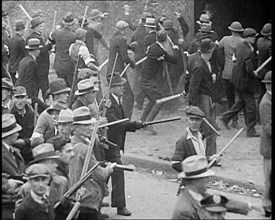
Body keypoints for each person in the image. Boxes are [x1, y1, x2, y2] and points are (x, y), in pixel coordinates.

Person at [105, 73, 145, 216]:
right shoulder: (108, 104)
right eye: (119, 86)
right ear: (112, 88)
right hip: (109, 144)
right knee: (116, 173)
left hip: (115, 143)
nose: (123, 88)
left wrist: (137, 125)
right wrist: (135, 124)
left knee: (104, 175)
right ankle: (120, 206)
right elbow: (116, 124)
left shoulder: (117, 101)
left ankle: (95, 203)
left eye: (122, 85)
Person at [171, 155, 261, 219]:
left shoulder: (199, 195)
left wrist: (251, 206)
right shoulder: (184, 211)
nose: (209, 179)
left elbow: (224, 203)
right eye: (205, 177)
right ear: (195, 180)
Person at [69, 106, 116, 220]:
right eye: (85, 125)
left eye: (90, 124)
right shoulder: (85, 149)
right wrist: (108, 169)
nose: (89, 128)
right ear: (75, 127)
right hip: (86, 200)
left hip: (74, 197)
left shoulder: (70, 143)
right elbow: (99, 174)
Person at [219, 28, 260, 137]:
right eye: (254, 37)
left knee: (241, 102)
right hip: (244, 80)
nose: (255, 39)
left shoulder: (241, 46)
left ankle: (225, 117)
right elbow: (248, 67)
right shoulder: (247, 49)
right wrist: (253, 75)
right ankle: (251, 130)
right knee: (251, 106)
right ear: (249, 37)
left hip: (237, 78)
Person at [140, 30, 179, 135]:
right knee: (160, 100)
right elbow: (174, 60)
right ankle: (148, 123)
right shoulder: (160, 51)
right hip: (147, 80)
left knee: (153, 100)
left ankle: (142, 122)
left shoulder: (152, 47)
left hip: (145, 79)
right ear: (166, 40)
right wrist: (175, 49)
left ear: (156, 38)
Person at [187, 38, 218, 160]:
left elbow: (188, 78)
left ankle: (194, 153)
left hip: (203, 97)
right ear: (209, 52)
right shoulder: (200, 66)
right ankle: (210, 156)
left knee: (202, 128)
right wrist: (193, 107)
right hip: (202, 98)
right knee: (211, 128)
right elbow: (194, 86)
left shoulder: (193, 57)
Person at [107, 20, 136, 120]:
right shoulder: (122, 39)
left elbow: (119, 47)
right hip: (118, 71)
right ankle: (125, 119)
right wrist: (134, 66)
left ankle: (119, 117)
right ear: (124, 29)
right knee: (129, 96)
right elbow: (125, 58)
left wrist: (129, 46)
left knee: (116, 95)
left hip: (111, 69)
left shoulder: (114, 38)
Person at [218, 21, 245, 129]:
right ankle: (235, 120)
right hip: (239, 74)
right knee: (241, 97)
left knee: (230, 97)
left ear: (231, 30)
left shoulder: (225, 39)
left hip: (227, 73)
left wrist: (222, 64)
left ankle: (229, 119)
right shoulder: (243, 42)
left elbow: (218, 49)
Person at [31, 79, 71, 143]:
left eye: (67, 93)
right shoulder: (45, 116)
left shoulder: (69, 112)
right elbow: (34, 140)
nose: (67, 95)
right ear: (56, 96)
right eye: (64, 93)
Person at [16, 38, 48, 114]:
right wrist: (30, 97)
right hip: (29, 94)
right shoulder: (31, 63)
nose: (39, 51)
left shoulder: (24, 60)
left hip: (21, 91)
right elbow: (28, 81)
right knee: (45, 110)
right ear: (35, 50)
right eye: (38, 49)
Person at [2, 114, 25, 220]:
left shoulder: (15, 152)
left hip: (16, 201)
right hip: (5, 204)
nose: (18, 134)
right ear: (8, 135)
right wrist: (8, 183)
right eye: (15, 131)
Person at [26, 16, 53, 99]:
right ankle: (46, 104)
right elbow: (42, 51)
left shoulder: (28, 38)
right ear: (36, 27)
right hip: (42, 67)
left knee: (35, 88)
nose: (42, 28)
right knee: (45, 89)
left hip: (34, 67)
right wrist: (50, 45)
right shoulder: (38, 39)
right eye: (41, 26)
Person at [130, 12, 152, 110]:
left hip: (137, 59)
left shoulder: (136, 32)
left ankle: (137, 100)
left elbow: (131, 45)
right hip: (146, 59)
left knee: (137, 79)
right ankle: (142, 101)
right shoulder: (149, 32)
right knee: (145, 79)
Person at [49, 12, 76, 87]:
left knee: (62, 86)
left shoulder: (57, 33)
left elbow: (51, 39)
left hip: (58, 65)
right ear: (72, 24)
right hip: (69, 65)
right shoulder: (73, 36)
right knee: (70, 85)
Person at [11, 86, 35, 165]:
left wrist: (25, 141)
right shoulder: (10, 116)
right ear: (13, 99)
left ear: (27, 98)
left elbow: (37, 134)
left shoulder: (32, 114)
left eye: (22, 97)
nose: (20, 101)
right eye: (17, 98)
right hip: (15, 153)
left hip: (31, 151)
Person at [259, 71, 272, 217]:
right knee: (268, 180)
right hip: (269, 148)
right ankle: (267, 207)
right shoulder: (266, 103)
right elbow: (268, 129)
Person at [255, 23, 272, 123]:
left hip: (260, 71)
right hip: (267, 72)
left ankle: (258, 117)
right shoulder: (270, 44)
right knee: (266, 95)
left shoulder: (259, 41)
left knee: (261, 94)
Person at [8, 20, 27, 85]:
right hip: (18, 67)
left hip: (11, 67)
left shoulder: (11, 39)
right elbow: (26, 52)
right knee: (20, 86)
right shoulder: (20, 40)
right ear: (22, 29)